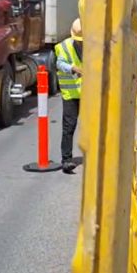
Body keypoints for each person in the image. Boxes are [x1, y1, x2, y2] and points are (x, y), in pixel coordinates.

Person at [55, 16, 84, 174]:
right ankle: (66, 160)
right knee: (69, 126)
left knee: (91, 127)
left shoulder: (92, 45)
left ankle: (93, 156)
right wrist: (73, 68)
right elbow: (59, 63)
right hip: (71, 94)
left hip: (88, 93)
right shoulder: (63, 47)